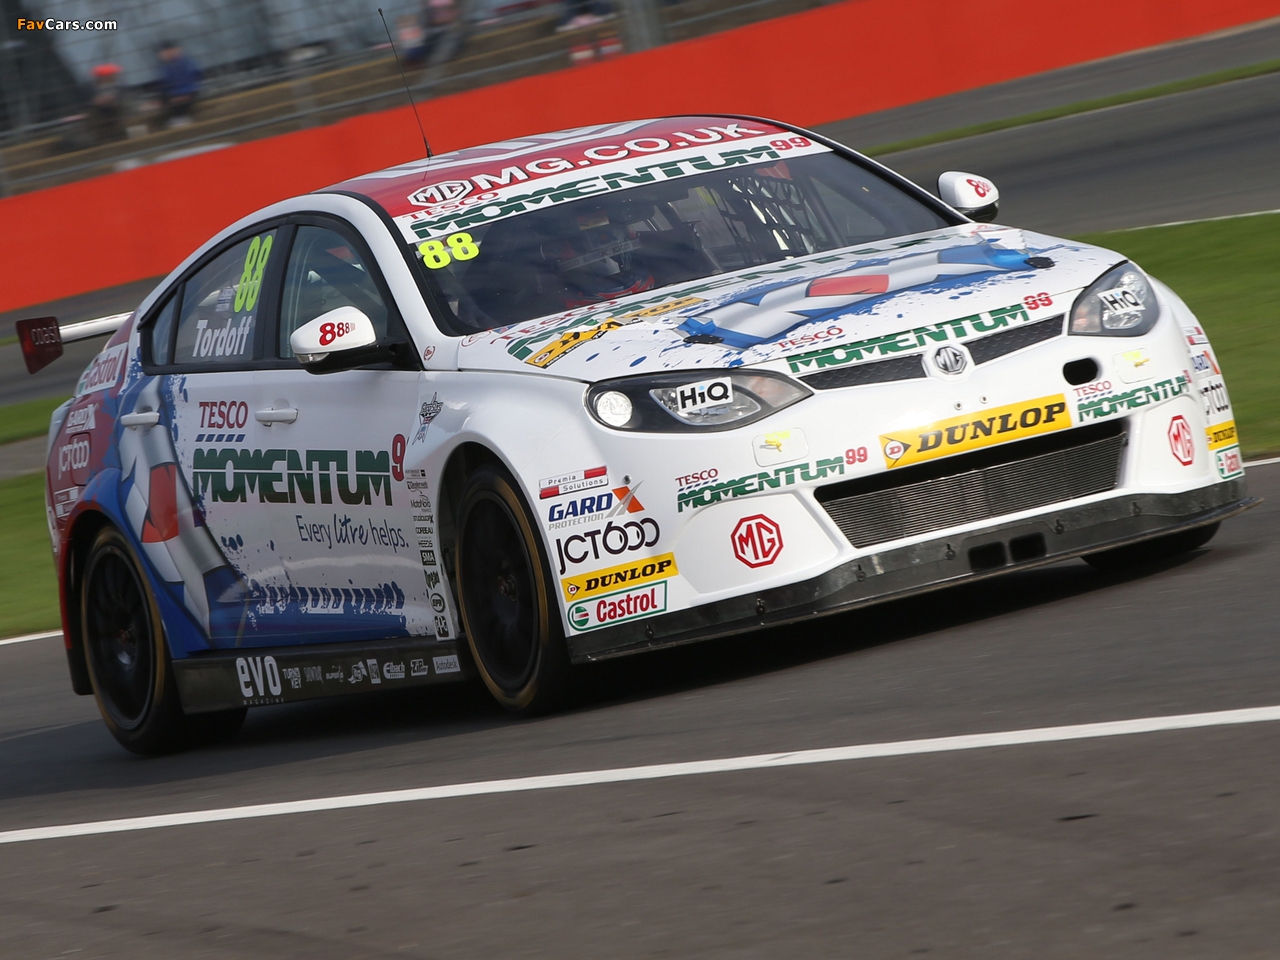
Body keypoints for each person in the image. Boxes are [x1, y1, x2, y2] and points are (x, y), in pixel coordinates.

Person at [157, 40, 201, 128]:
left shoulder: (184, 63)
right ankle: (179, 117)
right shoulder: (166, 66)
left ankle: (182, 118)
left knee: (175, 100)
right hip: (175, 93)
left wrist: (181, 95)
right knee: (166, 98)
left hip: (186, 91)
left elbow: (192, 79)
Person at [87, 63, 125, 143]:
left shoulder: (119, 88)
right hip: (100, 121)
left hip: (117, 118)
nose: (114, 77)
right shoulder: (91, 90)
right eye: (110, 75)